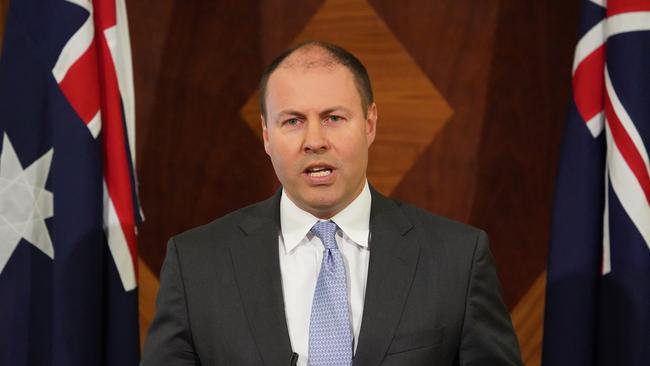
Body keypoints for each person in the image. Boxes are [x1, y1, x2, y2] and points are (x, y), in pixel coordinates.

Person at [141, 41, 523, 366]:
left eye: (334, 118)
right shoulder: (196, 264)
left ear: (370, 123)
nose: (315, 140)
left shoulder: (457, 259)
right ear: (266, 136)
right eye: (292, 121)